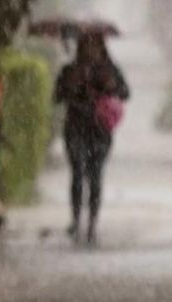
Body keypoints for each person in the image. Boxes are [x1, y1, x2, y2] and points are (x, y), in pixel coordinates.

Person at [55, 33, 129, 244]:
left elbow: (124, 92)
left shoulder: (109, 70)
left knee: (95, 176)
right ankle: (76, 220)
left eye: (94, 45)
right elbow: (57, 95)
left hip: (99, 132)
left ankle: (92, 224)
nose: (90, 50)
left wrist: (110, 86)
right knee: (77, 173)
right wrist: (70, 86)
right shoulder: (70, 70)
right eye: (85, 44)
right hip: (76, 129)